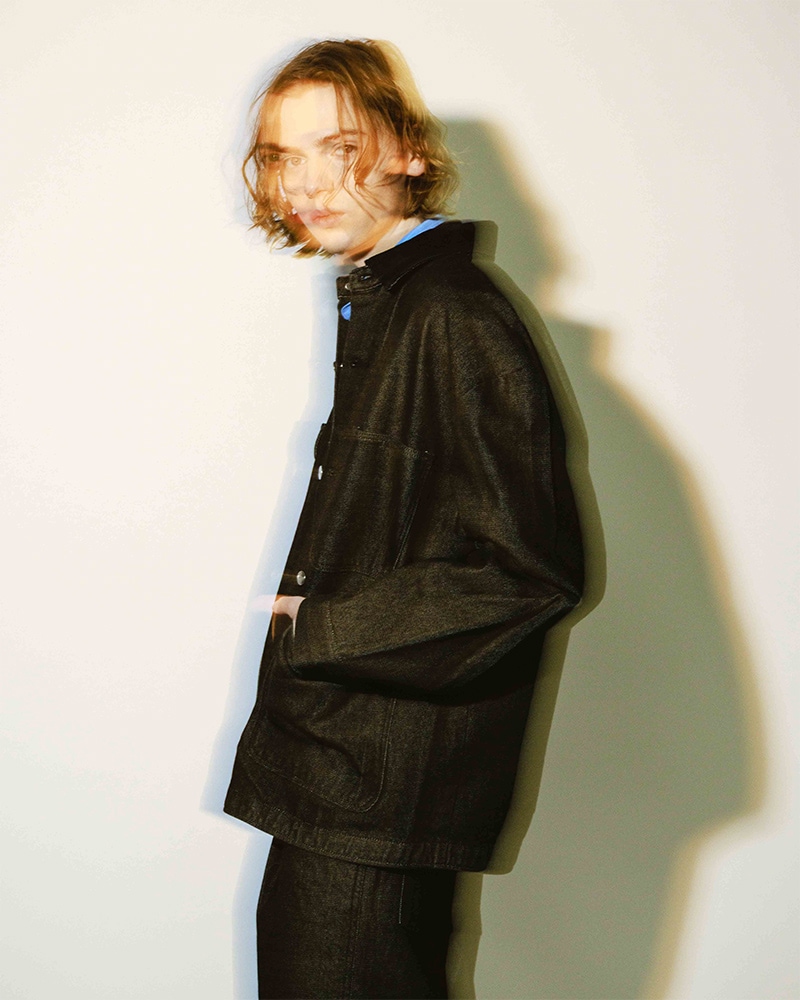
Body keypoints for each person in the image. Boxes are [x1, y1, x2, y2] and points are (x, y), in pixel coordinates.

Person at [224, 38, 585, 1000]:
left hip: (378, 786)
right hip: (348, 773)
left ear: (408, 150)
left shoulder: (452, 315)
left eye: (338, 148)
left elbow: (528, 569)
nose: (307, 183)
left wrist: (322, 627)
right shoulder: (393, 302)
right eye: (284, 157)